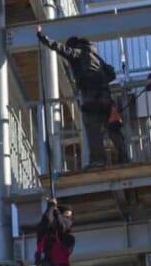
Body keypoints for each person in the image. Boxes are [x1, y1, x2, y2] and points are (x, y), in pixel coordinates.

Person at [36, 27, 126, 168]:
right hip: (105, 97)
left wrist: (42, 38)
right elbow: (111, 74)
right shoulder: (96, 57)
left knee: (93, 129)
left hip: (91, 97)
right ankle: (125, 156)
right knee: (112, 128)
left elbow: (60, 49)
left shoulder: (77, 52)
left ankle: (98, 160)